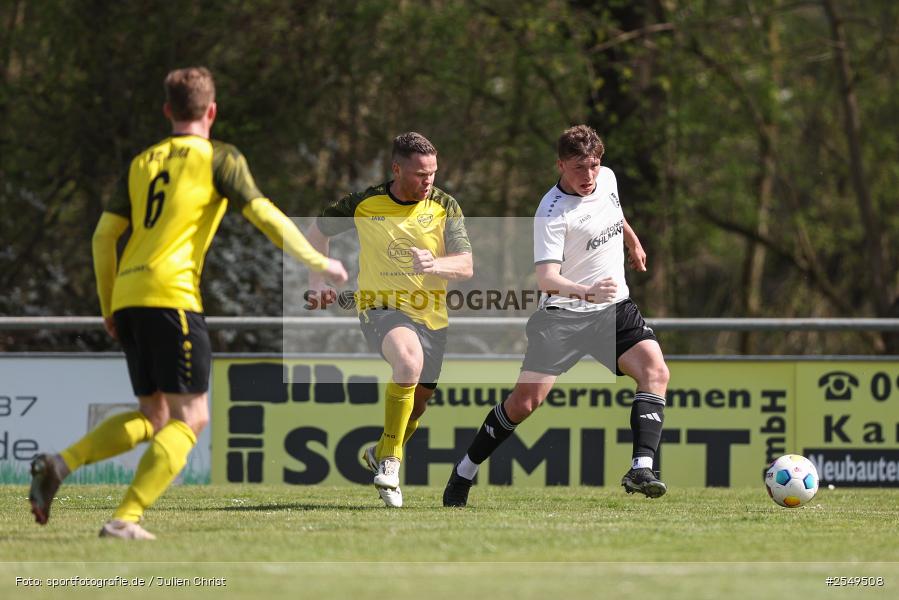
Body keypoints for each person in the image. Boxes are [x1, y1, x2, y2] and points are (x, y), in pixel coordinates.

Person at [27, 66, 347, 539]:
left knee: (153, 415)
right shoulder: (218, 157)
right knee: (191, 417)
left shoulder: (142, 162)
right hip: (171, 296)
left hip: (130, 296)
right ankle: (126, 518)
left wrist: (109, 304)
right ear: (212, 111)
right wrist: (314, 259)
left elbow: (102, 236)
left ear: (167, 111)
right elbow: (261, 211)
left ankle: (59, 463)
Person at [443, 124, 670, 507]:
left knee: (655, 371)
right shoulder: (551, 213)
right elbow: (547, 279)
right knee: (525, 404)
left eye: (595, 165)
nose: (589, 176)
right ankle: (464, 471)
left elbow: (613, 210)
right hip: (563, 316)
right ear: (560, 165)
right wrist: (587, 291)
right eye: (579, 168)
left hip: (613, 310)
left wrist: (631, 239)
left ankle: (641, 468)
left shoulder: (608, 179)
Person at [307, 132, 472, 508]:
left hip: (432, 318)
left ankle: (380, 448)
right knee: (408, 361)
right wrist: (318, 279)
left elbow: (466, 264)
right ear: (396, 169)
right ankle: (391, 464)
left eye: (432, 173)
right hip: (379, 308)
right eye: (419, 174)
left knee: (418, 404)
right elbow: (317, 231)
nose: (427, 181)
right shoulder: (366, 203)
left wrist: (437, 264)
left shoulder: (446, 205)